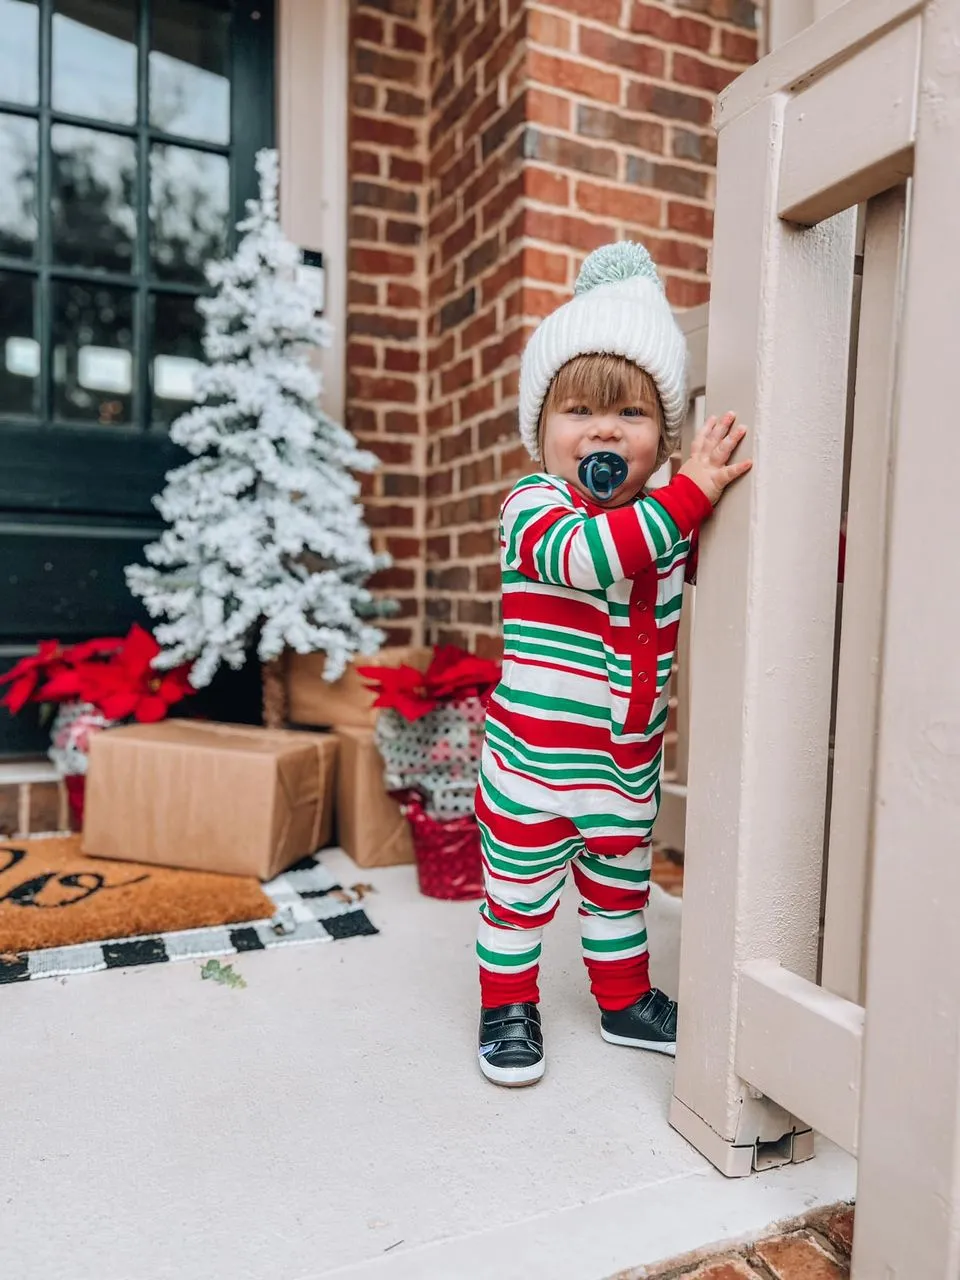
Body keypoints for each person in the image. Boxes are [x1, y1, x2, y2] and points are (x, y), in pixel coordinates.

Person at [475, 241, 751, 1087]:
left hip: (626, 767)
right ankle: (508, 1003)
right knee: (517, 899)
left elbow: (720, 561)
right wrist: (689, 495)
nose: (602, 427)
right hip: (533, 768)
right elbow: (595, 557)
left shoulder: (665, 523)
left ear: (659, 437)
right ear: (542, 431)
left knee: (619, 892)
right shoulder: (535, 506)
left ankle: (624, 1000)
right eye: (578, 411)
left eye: (630, 414)